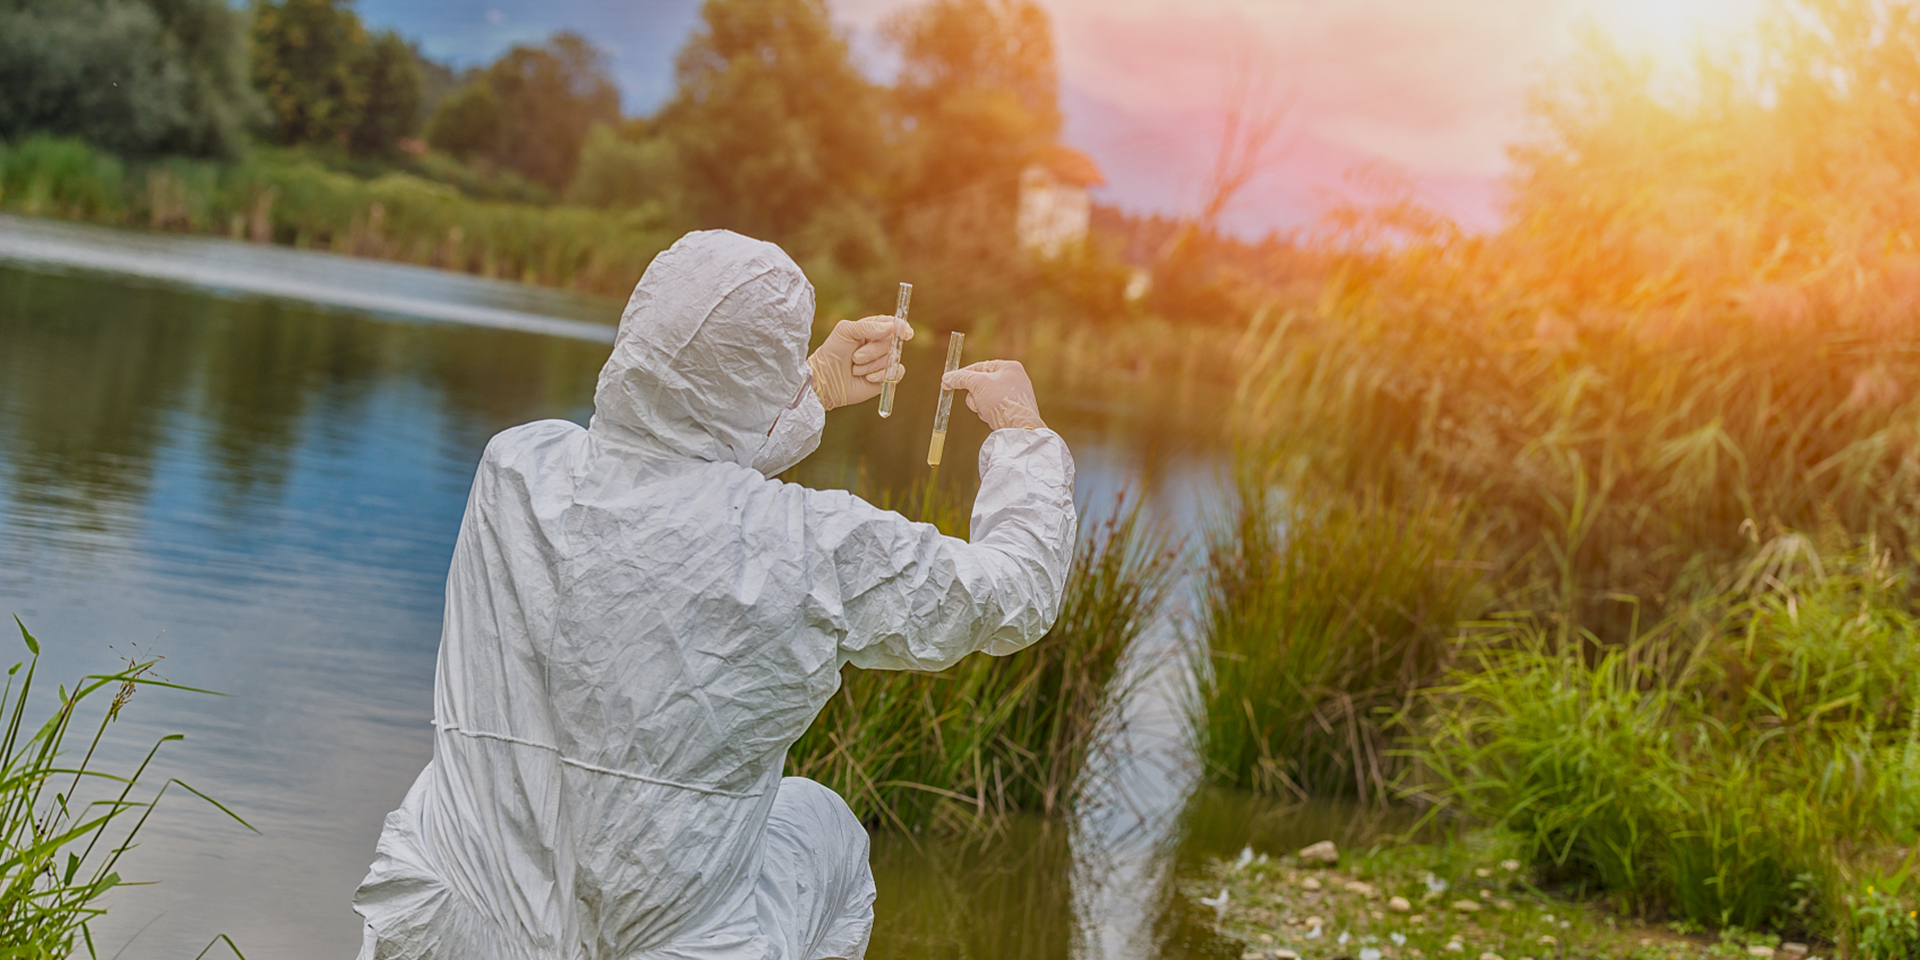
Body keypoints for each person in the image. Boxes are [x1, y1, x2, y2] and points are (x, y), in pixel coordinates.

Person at [353, 230, 1077, 960]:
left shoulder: (516, 468)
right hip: (670, 947)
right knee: (824, 828)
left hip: (455, 929)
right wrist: (1023, 434)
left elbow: (654, 472)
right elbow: (1016, 594)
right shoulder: (809, 548)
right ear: (757, 378)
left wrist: (813, 387)